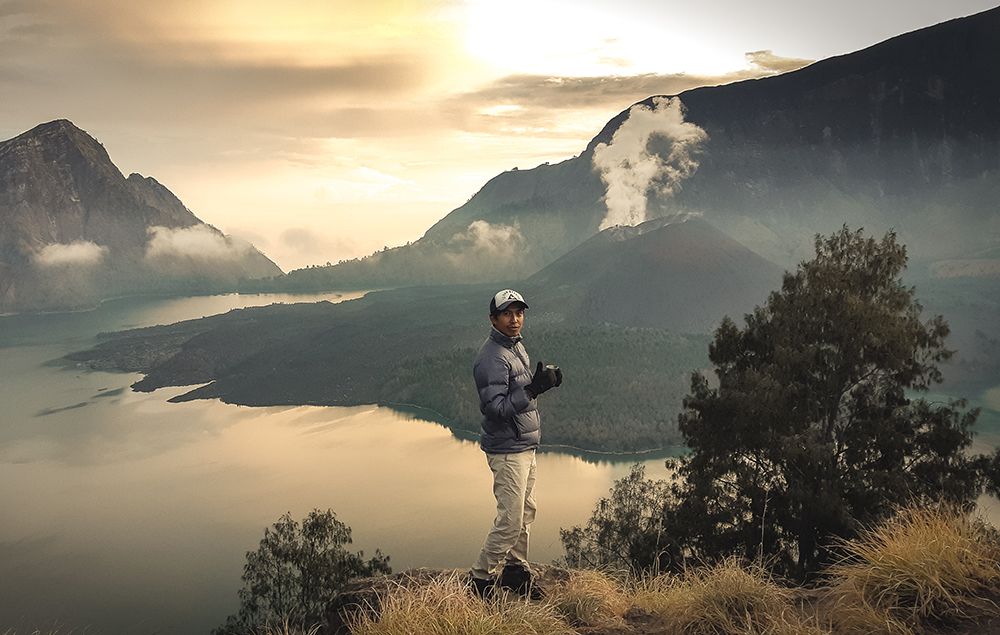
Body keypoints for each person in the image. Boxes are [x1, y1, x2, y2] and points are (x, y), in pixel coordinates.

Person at [468, 288, 562, 599]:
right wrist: (534, 389)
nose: (515, 319)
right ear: (493, 319)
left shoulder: (515, 347)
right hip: (507, 450)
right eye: (507, 313)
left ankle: (516, 573)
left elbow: (518, 394)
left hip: (522, 444)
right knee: (509, 520)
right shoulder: (491, 358)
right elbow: (495, 409)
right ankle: (480, 579)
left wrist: (541, 384)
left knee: (526, 511)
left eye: (519, 312)